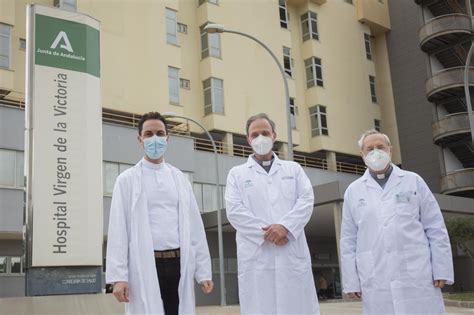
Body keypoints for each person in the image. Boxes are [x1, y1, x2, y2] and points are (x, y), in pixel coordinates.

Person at [106, 112, 213, 315]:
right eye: (148, 134)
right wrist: (119, 277)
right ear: (140, 139)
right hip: (145, 263)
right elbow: (118, 230)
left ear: (167, 138)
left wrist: (203, 271)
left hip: (178, 263)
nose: (154, 138)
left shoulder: (179, 178)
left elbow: (195, 228)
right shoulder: (127, 180)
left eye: (159, 133)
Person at [340, 130, 454, 314]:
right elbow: (348, 239)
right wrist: (351, 281)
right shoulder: (353, 191)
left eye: (380, 147)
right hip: (376, 276)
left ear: (390, 151)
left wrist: (442, 269)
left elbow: (435, 227)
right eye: (369, 149)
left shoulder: (413, 181)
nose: (375, 152)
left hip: (417, 274)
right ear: (362, 155)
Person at [225, 113, 320, 315]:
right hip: (257, 256)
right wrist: (269, 233)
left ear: (274, 135)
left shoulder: (293, 170)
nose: (261, 138)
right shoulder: (237, 174)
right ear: (248, 139)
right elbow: (235, 211)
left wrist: (285, 227)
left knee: (296, 307)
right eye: (255, 134)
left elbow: (306, 200)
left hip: (291, 254)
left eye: (265, 133)